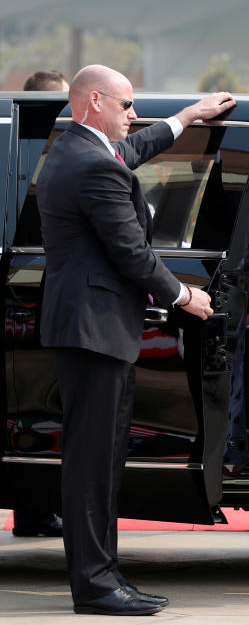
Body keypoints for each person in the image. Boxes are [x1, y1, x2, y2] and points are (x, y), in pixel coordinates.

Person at [36, 64, 234, 616]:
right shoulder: (93, 164)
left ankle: (103, 578)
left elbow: (136, 146)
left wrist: (189, 117)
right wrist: (183, 297)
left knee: (98, 463)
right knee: (93, 466)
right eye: (126, 105)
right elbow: (130, 252)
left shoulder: (80, 150)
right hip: (94, 331)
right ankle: (97, 587)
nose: (133, 115)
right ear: (94, 101)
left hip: (92, 329)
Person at [11, 69, 70, 539]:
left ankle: (33, 510)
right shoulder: (44, 151)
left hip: (36, 293)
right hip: (32, 294)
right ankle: (32, 508)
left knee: (35, 404)